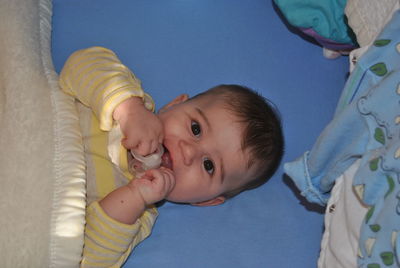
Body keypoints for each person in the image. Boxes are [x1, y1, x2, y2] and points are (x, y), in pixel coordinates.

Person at [59, 46, 284, 267]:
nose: (188, 151)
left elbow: (84, 258)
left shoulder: (138, 215)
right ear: (173, 105)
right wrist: (129, 109)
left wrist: (134, 196)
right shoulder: (129, 104)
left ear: (205, 201)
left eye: (209, 166)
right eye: (195, 128)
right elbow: (81, 63)